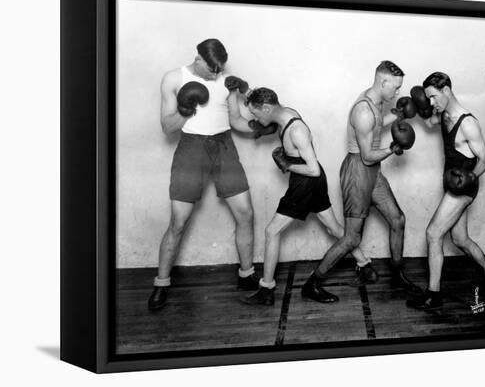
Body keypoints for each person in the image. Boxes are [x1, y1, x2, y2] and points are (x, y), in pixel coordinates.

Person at [147, 39, 277, 311]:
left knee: (245, 213)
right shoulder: (174, 78)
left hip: (223, 146)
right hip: (190, 148)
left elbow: (236, 120)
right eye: (212, 69)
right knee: (178, 221)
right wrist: (186, 109)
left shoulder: (226, 81)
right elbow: (167, 127)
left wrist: (258, 127)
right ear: (198, 59)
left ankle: (246, 274)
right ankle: (161, 283)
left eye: (220, 69)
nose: (216, 74)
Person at [301, 60, 421, 303]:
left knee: (397, 220)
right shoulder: (363, 111)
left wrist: (397, 115)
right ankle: (312, 283)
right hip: (358, 171)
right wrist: (394, 147)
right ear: (383, 81)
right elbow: (367, 156)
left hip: (372, 172)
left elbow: (378, 125)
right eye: (395, 87)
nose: (398, 92)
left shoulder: (376, 103)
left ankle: (397, 274)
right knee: (352, 239)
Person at [240, 87, 373, 306]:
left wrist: (287, 164)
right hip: (309, 182)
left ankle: (266, 290)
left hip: (307, 182)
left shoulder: (296, 130)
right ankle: (365, 265)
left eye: (256, 114)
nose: (255, 118)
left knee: (271, 231)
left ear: (266, 108)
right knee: (334, 228)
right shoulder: (285, 113)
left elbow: (313, 170)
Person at [406, 72, 485, 311]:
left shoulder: (468, 123)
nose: (432, 103)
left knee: (433, 233)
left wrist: (470, 177)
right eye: (429, 99)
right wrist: (415, 108)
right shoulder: (442, 113)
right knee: (460, 239)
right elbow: (429, 122)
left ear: (446, 90)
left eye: (434, 97)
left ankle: (433, 295)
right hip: (451, 182)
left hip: (463, 186)